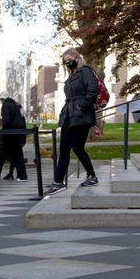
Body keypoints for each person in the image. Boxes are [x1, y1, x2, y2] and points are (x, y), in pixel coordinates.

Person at [44, 47, 99, 195]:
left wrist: (82, 106)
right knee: (64, 149)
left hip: (81, 116)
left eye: (70, 60)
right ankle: (58, 181)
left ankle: (91, 175)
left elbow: (92, 91)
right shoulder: (71, 76)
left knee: (77, 147)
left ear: (77, 58)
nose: (68, 63)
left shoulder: (85, 72)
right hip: (69, 115)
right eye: (65, 62)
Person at [0, 92, 28, 182]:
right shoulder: (16, 106)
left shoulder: (6, 105)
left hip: (8, 135)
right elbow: (22, 120)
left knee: (0, 156)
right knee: (18, 156)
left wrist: (3, 134)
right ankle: (22, 175)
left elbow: (6, 121)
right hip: (17, 135)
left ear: (2, 99)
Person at [3, 101, 26, 180]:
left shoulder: (18, 117)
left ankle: (17, 174)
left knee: (15, 157)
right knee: (14, 157)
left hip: (15, 139)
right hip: (17, 139)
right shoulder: (20, 116)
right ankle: (12, 173)